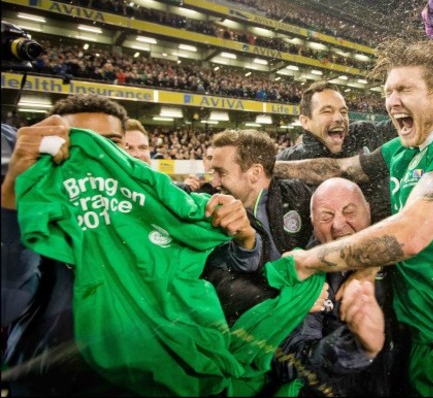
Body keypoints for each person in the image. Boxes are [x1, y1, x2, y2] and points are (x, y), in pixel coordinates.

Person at [279, 38, 433, 396]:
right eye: (388, 91)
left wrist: (308, 260)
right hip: (417, 340)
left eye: (404, 89)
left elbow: (409, 233)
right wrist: (268, 166)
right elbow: (337, 167)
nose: (391, 101)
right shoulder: (402, 153)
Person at [1, 95, 258, 395]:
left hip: (154, 378)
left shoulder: (168, 203)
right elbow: (6, 305)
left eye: (112, 143)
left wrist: (245, 235)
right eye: (85, 143)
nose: (101, 156)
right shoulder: (32, 209)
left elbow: (236, 269)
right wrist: (11, 197)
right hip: (54, 380)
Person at [269, 177, 407, 396]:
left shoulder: (401, 251)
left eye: (349, 212)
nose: (338, 224)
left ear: (369, 211)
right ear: (313, 224)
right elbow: (288, 361)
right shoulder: (303, 276)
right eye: (326, 216)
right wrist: (354, 344)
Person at [201, 129, 316, 325]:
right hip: (258, 322)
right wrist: (292, 299)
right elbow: (219, 283)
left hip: (311, 317)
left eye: (222, 172)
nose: (214, 182)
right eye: (213, 172)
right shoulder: (210, 212)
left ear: (255, 173)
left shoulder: (299, 196)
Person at [277, 81, 396, 223]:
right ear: (305, 121)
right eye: (327, 111)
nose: (339, 118)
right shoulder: (288, 160)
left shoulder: (366, 134)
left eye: (343, 111)